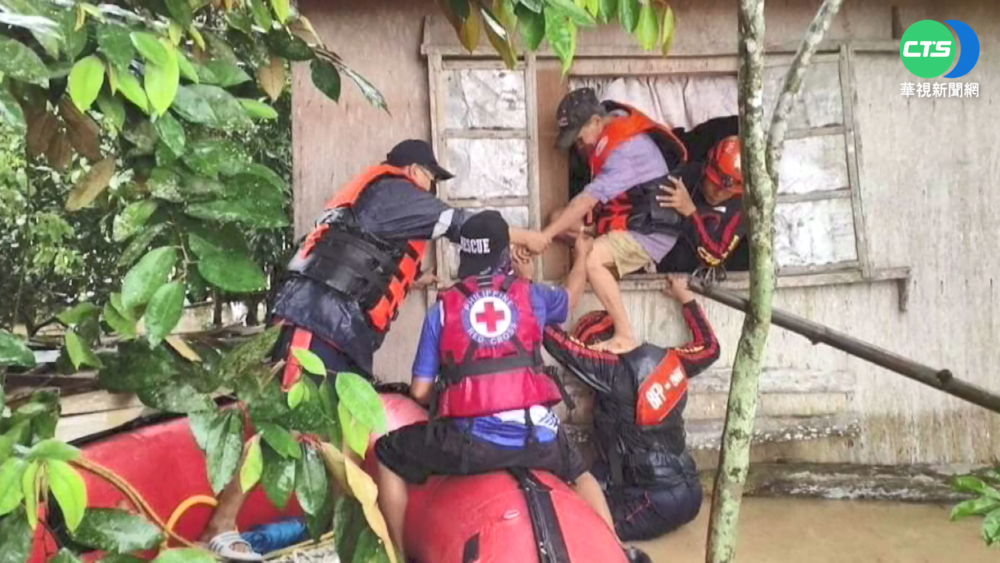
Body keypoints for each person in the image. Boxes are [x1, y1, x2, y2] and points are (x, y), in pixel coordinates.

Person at [200, 139, 490, 559]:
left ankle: (337, 536)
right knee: (281, 422)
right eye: (431, 178)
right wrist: (530, 238)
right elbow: (467, 226)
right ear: (412, 170)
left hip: (344, 332)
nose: (431, 188)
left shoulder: (378, 201)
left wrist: (419, 282)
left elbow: (366, 266)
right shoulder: (393, 191)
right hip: (315, 321)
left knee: (348, 437)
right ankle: (219, 526)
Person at [373, 211, 648, 562]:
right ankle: (619, 551)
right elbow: (570, 298)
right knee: (582, 474)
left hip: (471, 445)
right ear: (505, 253)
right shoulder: (531, 295)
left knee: (387, 454)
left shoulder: (442, 309)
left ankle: (397, 554)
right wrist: (581, 258)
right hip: (540, 440)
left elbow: (419, 392)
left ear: (464, 256)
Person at [542, 275, 720, 541]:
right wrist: (686, 297)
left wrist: (524, 291)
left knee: (570, 527)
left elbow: (560, 345)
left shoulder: (612, 371)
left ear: (600, 348)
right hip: (692, 492)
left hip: (651, 504)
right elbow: (709, 348)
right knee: (593, 476)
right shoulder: (668, 360)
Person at [521, 88, 689, 354]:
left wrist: (544, 236)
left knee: (591, 259)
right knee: (558, 220)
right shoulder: (612, 124)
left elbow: (586, 201)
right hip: (627, 219)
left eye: (579, 137)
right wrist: (551, 229)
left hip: (650, 232)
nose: (580, 146)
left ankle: (624, 335)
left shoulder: (625, 149)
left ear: (597, 122)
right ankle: (595, 259)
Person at [657, 136, 748, 275]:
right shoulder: (685, 176)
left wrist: (691, 213)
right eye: (714, 184)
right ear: (706, 169)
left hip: (698, 278)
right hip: (660, 266)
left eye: (727, 191)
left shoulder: (740, 207)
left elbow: (716, 257)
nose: (719, 193)